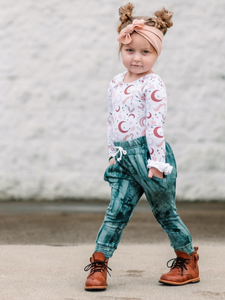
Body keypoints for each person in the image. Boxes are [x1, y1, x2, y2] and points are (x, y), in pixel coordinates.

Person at [84, 3, 200, 291]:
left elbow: (155, 125)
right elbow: (112, 121)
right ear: (121, 50)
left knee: (164, 211)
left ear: (156, 54)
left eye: (145, 52)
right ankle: (99, 264)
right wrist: (113, 155)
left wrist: (157, 163)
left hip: (150, 157)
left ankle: (187, 259)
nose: (137, 58)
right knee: (116, 211)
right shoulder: (115, 83)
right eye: (130, 50)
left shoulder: (153, 84)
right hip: (124, 158)